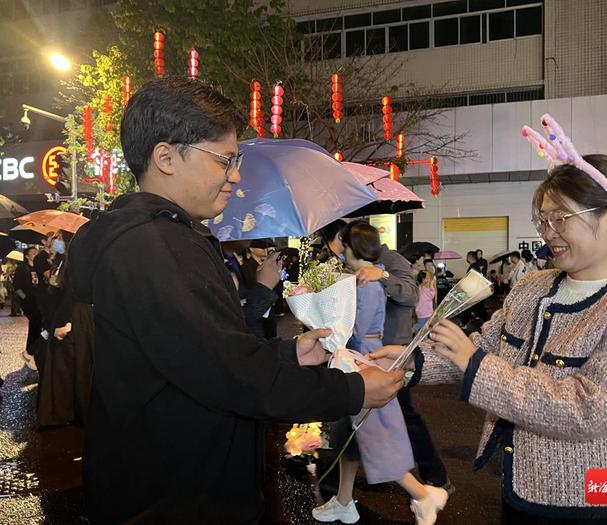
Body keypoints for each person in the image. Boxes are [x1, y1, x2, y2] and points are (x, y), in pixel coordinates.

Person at [66, 77, 404, 525]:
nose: (236, 175)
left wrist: (286, 353)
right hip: (179, 496)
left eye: (236, 159)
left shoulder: (158, 238)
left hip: (167, 483)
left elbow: (199, 354)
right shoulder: (156, 244)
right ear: (165, 157)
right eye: (224, 160)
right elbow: (232, 375)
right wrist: (353, 390)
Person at [373, 149, 607, 523]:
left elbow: (588, 409)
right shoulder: (532, 287)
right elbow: (485, 347)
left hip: (594, 504)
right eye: (543, 220)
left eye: (561, 219)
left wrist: (475, 365)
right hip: (521, 488)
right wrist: (407, 365)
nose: (549, 233)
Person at [314, 222, 447, 525]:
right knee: (349, 434)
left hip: (365, 360)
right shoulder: (361, 278)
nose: (341, 253)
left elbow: (359, 329)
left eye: (343, 247)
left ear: (351, 247)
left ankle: (424, 495)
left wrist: (329, 334)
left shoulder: (372, 280)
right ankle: (344, 501)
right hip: (365, 358)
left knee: (375, 436)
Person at [353, 242, 451, 494]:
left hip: (394, 351)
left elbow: (410, 294)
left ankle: (435, 480)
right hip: (375, 352)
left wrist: (383, 275)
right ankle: (345, 497)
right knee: (365, 418)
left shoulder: (391, 259)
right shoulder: (358, 265)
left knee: (405, 416)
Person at [36, 230, 94, 428]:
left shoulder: (74, 262)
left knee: (72, 363)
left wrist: (65, 323)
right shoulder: (61, 261)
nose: (55, 241)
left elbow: (73, 293)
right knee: (65, 365)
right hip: (62, 317)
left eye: (60, 238)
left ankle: (71, 411)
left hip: (72, 318)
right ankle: (65, 410)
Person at [12, 246, 42, 354]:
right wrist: (24, 298)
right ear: (27, 256)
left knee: (37, 325)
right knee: (35, 323)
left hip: (39, 301)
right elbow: (16, 286)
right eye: (33, 253)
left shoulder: (39, 267)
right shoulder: (22, 268)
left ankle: (34, 351)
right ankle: (31, 351)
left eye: (37, 253)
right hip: (28, 302)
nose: (36, 255)